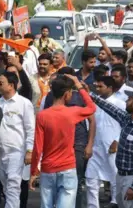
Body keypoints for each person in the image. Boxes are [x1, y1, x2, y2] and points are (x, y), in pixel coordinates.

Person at [29, 75, 97, 208]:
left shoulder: (42, 116)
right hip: (67, 168)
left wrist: (33, 172)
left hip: (48, 169)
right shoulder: (72, 113)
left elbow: (38, 147)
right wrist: (79, 85)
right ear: (67, 94)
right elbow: (91, 108)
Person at [88, 88, 133, 208]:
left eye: (129, 99)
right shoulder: (127, 119)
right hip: (120, 176)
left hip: (132, 179)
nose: (126, 101)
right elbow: (108, 107)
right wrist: (89, 93)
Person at [0, 72, 35, 208]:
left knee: (13, 186)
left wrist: (29, 150)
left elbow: (30, 128)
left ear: (11, 85)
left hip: (16, 152)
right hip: (0, 152)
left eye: (1, 83)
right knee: (6, 187)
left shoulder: (24, 103)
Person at [85, 76, 125, 208]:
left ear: (110, 88)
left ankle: (115, 203)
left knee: (115, 178)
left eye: (100, 86)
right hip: (95, 146)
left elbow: (126, 125)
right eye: (96, 86)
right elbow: (89, 123)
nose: (97, 89)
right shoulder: (93, 103)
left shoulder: (119, 103)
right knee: (91, 179)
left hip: (112, 146)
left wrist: (118, 141)